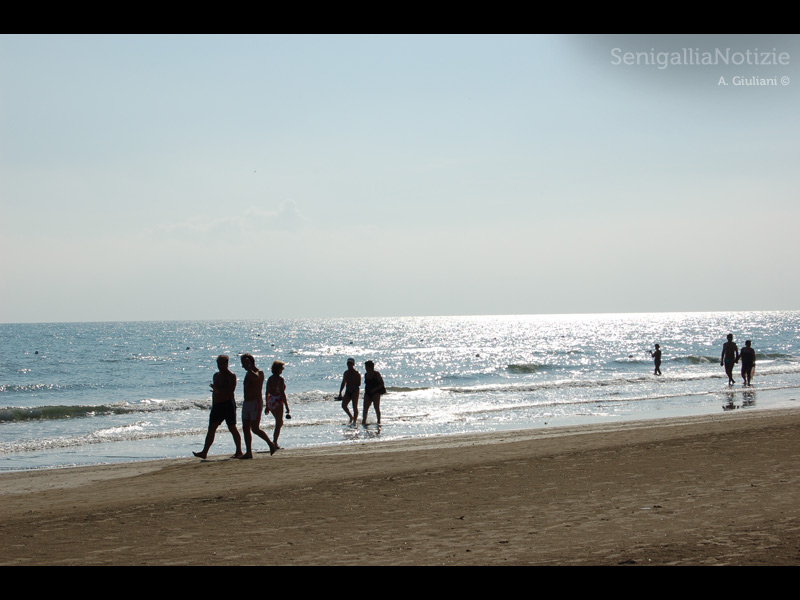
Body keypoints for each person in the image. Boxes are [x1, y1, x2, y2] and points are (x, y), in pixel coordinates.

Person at [193, 355, 243, 459]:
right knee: (211, 428)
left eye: (222, 363)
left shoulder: (231, 376)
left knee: (232, 427)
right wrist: (214, 402)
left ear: (227, 364)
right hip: (217, 405)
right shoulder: (216, 375)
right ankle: (204, 452)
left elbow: (230, 391)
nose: (220, 366)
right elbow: (215, 392)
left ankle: (239, 451)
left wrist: (218, 391)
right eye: (218, 363)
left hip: (228, 404)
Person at [240, 354, 277, 458]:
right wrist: (248, 369)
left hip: (255, 403)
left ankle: (271, 444)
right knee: (245, 428)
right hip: (246, 403)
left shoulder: (259, 372)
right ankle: (248, 452)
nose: (243, 366)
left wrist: (249, 368)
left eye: (245, 363)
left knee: (255, 428)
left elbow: (256, 379)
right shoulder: (248, 373)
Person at [266, 360, 290, 449]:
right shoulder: (280, 379)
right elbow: (282, 393)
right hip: (278, 401)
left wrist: (267, 405)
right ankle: (274, 442)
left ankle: (274, 441)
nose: (282, 370)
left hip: (271, 400)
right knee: (279, 422)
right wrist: (286, 405)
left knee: (279, 422)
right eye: (282, 368)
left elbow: (267, 392)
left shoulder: (270, 379)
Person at [362, 360, 386, 426]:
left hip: (376, 392)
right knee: (365, 408)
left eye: (367, 367)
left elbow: (382, 383)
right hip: (367, 393)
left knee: (376, 408)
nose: (366, 368)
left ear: (371, 367)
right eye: (365, 367)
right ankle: (364, 421)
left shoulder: (376, 374)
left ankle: (379, 421)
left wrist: (374, 389)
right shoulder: (366, 374)